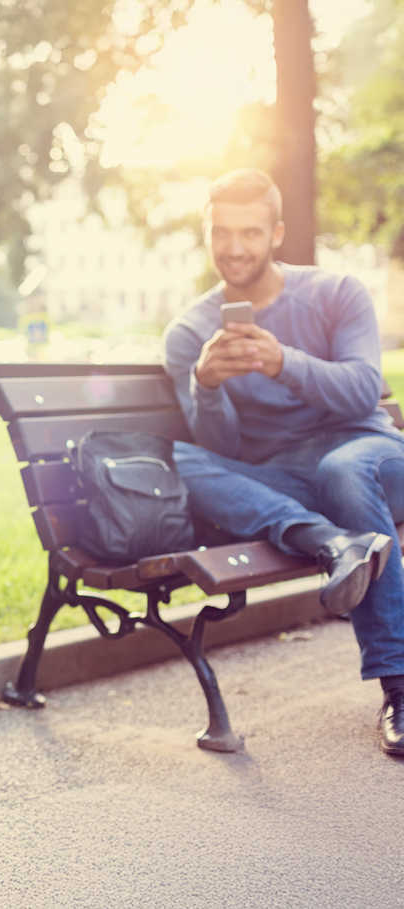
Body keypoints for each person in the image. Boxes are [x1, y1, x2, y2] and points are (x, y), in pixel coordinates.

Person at [163, 168, 404, 758]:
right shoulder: (191, 332)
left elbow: (361, 392)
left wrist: (282, 363)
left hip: (369, 455)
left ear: (277, 233)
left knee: (340, 472)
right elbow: (223, 453)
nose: (235, 248)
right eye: (222, 233)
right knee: (176, 458)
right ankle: (330, 542)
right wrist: (207, 386)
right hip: (285, 480)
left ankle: (399, 687)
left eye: (250, 232)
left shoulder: (335, 292)